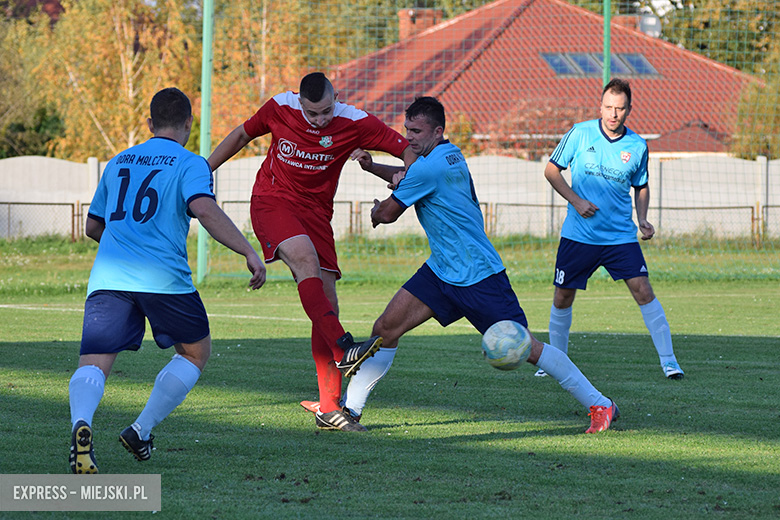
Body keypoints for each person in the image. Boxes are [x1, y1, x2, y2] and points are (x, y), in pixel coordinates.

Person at [303, 96, 619, 434]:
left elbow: (387, 214)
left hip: (478, 274)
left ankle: (600, 403)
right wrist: (373, 167)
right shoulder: (448, 154)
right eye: (407, 129)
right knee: (386, 328)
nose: (409, 137)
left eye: (417, 131)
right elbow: (407, 176)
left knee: (525, 346)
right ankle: (350, 410)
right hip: (442, 270)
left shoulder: (429, 167)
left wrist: (377, 208)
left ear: (438, 131)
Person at [68, 87, 266, 474]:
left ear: (149, 123)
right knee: (195, 352)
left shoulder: (118, 161)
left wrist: (123, 241)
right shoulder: (191, 163)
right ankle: (141, 430)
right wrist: (247, 250)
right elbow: (204, 210)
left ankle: (82, 425)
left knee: (94, 362)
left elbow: (94, 225)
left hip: (109, 277)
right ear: (189, 124)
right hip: (163, 278)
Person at [207, 72, 417, 431]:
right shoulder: (279, 107)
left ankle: (328, 407)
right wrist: (204, 169)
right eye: (312, 113)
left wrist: (407, 175)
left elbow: (408, 149)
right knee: (305, 260)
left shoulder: (355, 121)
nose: (320, 120)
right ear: (299, 102)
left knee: (328, 304)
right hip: (272, 201)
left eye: (326, 111)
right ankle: (343, 349)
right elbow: (243, 134)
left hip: (318, 214)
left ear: (336, 97)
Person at [536, 78, 684, 380]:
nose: (613, 114)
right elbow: (552, 171)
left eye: (619, 108)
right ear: (600, 106)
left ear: (629, 109)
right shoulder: (580, 133)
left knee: (643, 290)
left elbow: (641, 187)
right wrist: (577, 201)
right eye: (608, 107)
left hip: (620, 237)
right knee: (562, 296)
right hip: (579, 235)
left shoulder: (637, 145)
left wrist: (642, 218)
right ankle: (554, 362)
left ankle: (669, 362)